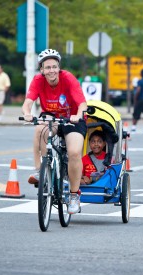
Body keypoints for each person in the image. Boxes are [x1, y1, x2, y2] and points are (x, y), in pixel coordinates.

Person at [22, 49, 87, 214]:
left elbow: (82, 104)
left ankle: (73, 195)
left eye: (54, 66)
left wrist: (78, 115)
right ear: (42, 70)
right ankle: (41, 170)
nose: (51, 70)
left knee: (73, 152)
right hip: (51, 116)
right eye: (47, 67)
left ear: (59, 68)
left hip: (72, 117)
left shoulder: (68, 78)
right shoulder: (37, 80)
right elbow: (28, 102)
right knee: (40, 128)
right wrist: (27, 114)